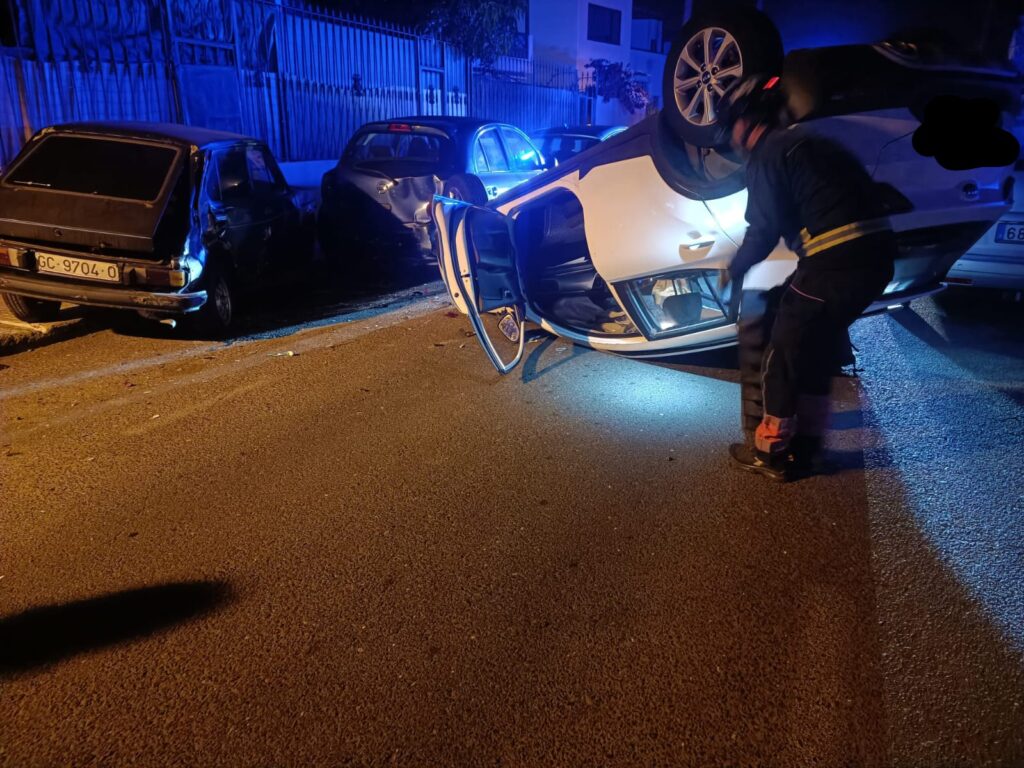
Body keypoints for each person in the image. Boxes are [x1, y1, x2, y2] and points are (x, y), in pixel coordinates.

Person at [718, 74, 897, 481]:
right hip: (874, 263)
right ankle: (809, 450)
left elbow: (763, 228)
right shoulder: (813, 143)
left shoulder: (768, 152)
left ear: (745, 122)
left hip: (835, 265)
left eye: (731, 128)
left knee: (780, 349)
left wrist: (734, 270)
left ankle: (771, 453)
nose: (733, 139)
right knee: (814, 349)